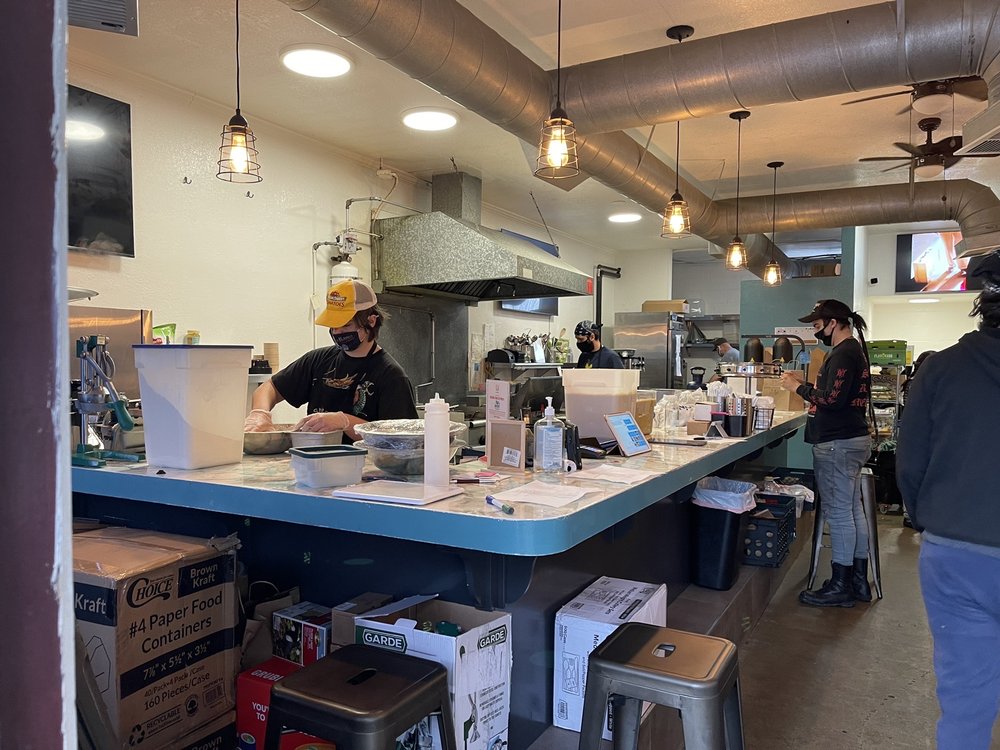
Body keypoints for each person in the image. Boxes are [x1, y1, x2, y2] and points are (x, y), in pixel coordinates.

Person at [896, 251, 1000, 750]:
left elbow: (909, 460)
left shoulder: (942, 369)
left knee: (965, 702)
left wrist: (924, 517)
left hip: (956, 550)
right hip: (956, 544)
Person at [778, 298, 874, 607]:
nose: (816, 331)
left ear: (834, 323)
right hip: (853, 439)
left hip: (837, 443)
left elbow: (831, 400)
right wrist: (808, 384)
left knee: (839, 514)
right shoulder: (853, 351)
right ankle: (858, 581)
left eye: (818, 326)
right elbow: (839, 394)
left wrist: (798, 389)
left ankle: (840, 584)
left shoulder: (843, 354)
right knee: (852, 510)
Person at [244, 278, 417, 441]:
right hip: (317, 464)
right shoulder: (318, 360)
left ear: (371, 321)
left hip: (365, 468)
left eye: (346, 325)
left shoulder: (391, 376)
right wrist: (260, 413)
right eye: (333, 326)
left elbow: (399, 439)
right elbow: (270, 387)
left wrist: (345, 422)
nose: (337, 333)